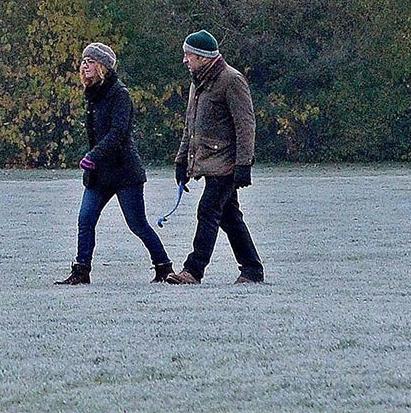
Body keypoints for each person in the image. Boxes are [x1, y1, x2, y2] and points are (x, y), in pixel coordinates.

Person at [55, 41, 173, 284]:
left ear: (103, 67)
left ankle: (164, 267)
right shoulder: (92, 94)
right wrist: (94, 161)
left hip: (124, 172)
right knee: (85, 220)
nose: (84, 65)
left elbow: (118, 134)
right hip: (99, 175)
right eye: (83, 61)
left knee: (137, 224)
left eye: (90, 61)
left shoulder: (120, 94)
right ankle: (81, 271)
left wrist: (92, 156)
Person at [166, 29, 265, 285]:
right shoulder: (197, 82)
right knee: (230, 218)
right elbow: (191, 125)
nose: (185, 60)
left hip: (226, 165)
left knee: (207, 211)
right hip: (210, 163)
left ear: (203, 57)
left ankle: (193, 271)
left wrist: (244, 164)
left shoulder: (232, 80)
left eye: (188, 55)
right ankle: (252, 270)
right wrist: (181, 161)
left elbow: (246, 125)